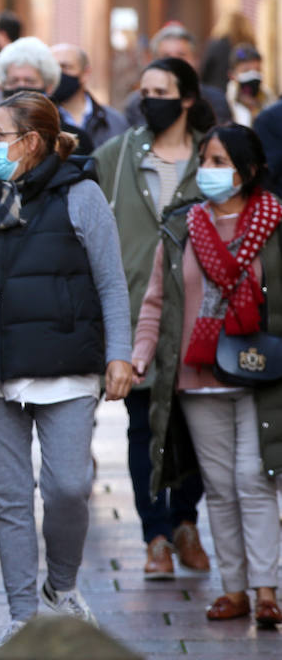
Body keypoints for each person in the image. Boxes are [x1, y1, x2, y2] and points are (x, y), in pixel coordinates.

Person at [0, 93, 133, 647]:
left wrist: (119, 354)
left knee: (68, 488)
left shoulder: (82, 196)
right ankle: (21, 613)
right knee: (7, 499)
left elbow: (110, 281)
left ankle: (62, 587)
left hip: (68, 367)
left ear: (30, 142)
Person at [132, 124, 282, 626]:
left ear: (250, 169)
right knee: (219, 486)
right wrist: (139, 355)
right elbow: (157, 300)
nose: (210, 171)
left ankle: (267, 590)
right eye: (206, 161)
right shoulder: (181, 227)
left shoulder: (274, 225)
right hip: (196, 376)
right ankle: (234, 589)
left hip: (260, 374)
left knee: (253, 480)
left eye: (220, 161)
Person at [94, 57, 214, 579]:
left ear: (186, 98)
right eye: (143, 91)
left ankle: (186, 521)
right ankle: (156, 537)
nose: (148, 100)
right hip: (132, 311)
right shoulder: (119, 155)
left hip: (199, 315)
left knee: (197, 427)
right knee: (142, 427)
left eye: (160, 90)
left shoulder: (212, 155)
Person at [0, 37, 93, 155]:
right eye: (14, 81)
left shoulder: (73, 141)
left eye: (29, 81)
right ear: (2, 86)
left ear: (49, 87)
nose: (21, 88)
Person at [122, 25, 231, 126]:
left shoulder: (216, 100)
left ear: (196, 60)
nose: (174, 62)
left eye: (181, 55)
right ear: (153, 61)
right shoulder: (137, 103)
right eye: (166, 56)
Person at [51, 43, 127, 150]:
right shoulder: (41, 119)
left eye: (65, 67)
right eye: (53, 68)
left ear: (85, 73)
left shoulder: (113, 122)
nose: (58, 74)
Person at [201, 10, 257, 91]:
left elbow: (205, 70)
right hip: (243, 90)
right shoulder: (247, 48)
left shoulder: (216, 44)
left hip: (216, 90)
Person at [226, 45, 271, 126]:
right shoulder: (224, 104)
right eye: (246, 71)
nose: (253, 75)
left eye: (257, 70)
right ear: (232, 75)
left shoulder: (269, 101)